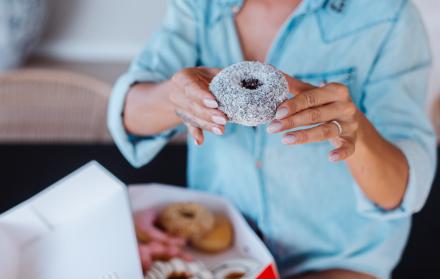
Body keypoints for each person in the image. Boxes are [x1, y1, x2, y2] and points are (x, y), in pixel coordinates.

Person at [107, 0, 436, 278]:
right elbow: (130, 116)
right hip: (223, 251)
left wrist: (357, 132)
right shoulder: (201, 7)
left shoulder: (386, 15)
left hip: (337, 262)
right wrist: (175, 96)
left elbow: (398, 190)